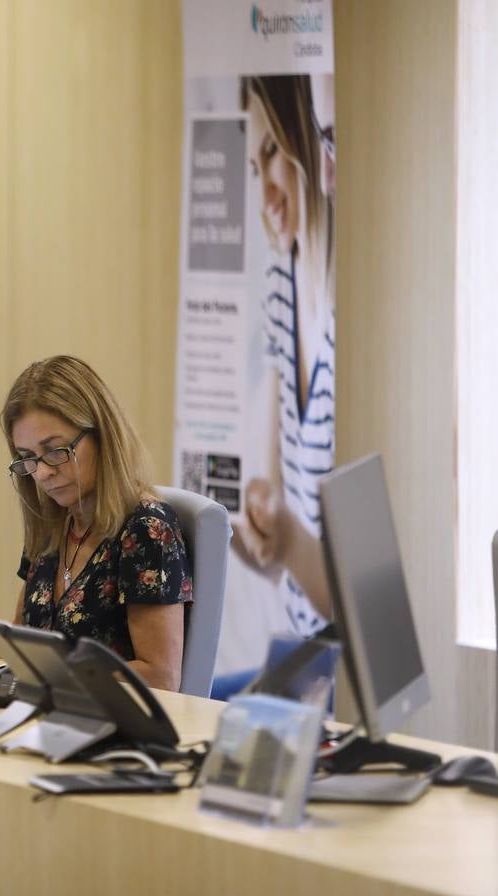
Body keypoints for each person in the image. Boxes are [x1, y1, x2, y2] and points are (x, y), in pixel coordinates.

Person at [0, 356, 191, 692]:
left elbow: (161, 676)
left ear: (102, 435)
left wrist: (48, 665)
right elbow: (30, 634)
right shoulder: (52, 523)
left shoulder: (146, 530)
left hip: (112, 728)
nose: (42, 472)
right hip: (49, 714)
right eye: (27, 457)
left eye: (55, 451)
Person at [232, 75, 336, 633]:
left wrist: (285, 537)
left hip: (345, 665)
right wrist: (251, 521)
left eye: (271, 151)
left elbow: (354, 606)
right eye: (254, 167)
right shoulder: (282, 273)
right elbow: (261, 491)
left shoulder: (355, 309)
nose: (265, 193)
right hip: (300, 644)